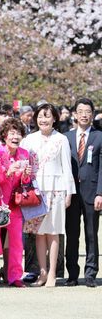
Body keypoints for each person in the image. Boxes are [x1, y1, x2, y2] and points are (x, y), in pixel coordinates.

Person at [21, 103, 75, 287]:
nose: (43, 119)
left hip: (56, 189)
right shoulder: (29, 139)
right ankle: (42, 273)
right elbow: (21, 163)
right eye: (40, 116)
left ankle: (52, 273)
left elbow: (67, 167)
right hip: (35, 190)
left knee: (53, 232)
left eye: (48, 116)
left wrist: (69, 193)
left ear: (54, 119)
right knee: (38, 233)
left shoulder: (61, 139)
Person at [0, 118, 31, 288]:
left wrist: (26, 174)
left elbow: (25, 182)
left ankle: (15, 276)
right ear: (4, 135)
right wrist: (7, 171)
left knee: (17, 242)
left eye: (18, 133)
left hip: (15, 204)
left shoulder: (24, 154)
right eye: (12, 133)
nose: (15, 136)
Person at [64, 98, 102, 287]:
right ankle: (71, 273)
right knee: (71, 233)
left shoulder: (99, 136)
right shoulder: (66, 137)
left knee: (91, 234)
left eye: (88, 111)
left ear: (92, 114)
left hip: (92, 191)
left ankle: (90, 273)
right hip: (71, 193)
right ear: (75, 114)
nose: (84, 114)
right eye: (81, 111)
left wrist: (100, 193)